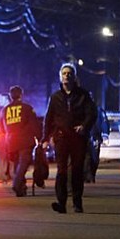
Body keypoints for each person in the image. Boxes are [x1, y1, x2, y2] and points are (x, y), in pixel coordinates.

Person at [42, 63, 97, 214]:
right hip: (61, 138)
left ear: (74, 76)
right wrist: (45, 139)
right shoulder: (55, 97)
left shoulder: (83, 95)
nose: (66, 75)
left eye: (69, 73)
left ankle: (77, 203)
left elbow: (92, 114)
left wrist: (84, 126)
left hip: (78, 138)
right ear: (60, 76)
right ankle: (61, 202)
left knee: (77, 170)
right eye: (64, 73)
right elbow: (48, 118)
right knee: (61, 170)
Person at [0, 86, 38, 197]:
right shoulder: (27, 108)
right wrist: (40, 137)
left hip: (11, 142)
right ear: (21, 95)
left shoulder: (4, 110)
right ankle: (17, 183)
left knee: (17, 165)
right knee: (24, 164)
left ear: (10, 96)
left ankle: (21, 189)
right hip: (25, 141)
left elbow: (0, 128)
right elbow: (35, 124)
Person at [84, 104, 109, 183]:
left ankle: (92, 174)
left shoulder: (98, 110)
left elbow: (104, 122)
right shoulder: (80, 108)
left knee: (94, 158)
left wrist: (105, 134)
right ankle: (86, 175)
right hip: (84, 137)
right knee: (85, 157)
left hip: (95, 137)